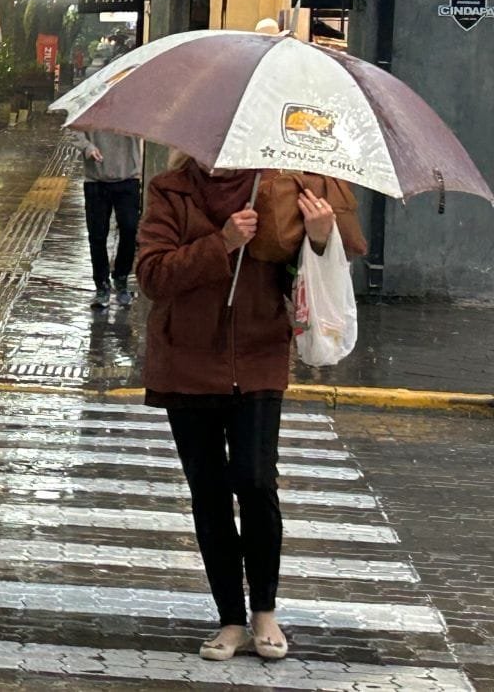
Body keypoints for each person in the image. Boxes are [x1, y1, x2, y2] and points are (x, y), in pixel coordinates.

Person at [137, 155, 365, 662]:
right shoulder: (170, 191)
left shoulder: (276, 187)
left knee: (257, 480)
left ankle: (264, 608)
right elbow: (152, 276)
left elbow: (298, 275)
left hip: (259, 356)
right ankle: (231, 619)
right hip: (187, 364)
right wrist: (221, 244)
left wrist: (320, 237)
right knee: (210, 492)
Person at [71, 129, 143, 308]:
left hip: (128, 177)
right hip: (96, 180)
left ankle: (121, 277)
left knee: (129, 228)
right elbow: (73, 129)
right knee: (97, 235)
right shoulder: (92, 103)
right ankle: (101, 285)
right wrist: (87, 147)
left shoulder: (135, 104)